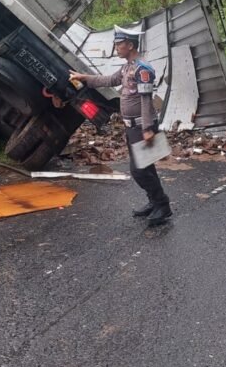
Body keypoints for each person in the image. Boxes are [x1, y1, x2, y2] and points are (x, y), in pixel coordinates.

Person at [69, 27, 172, 226]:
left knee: (139, 170)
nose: (116, 48)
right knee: (146, 168)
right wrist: (84, 78)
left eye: (119, 44)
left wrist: (148, 128)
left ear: (130, 45)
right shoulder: (127, 67)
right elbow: (108, 80)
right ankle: (154, 202)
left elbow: (146, 100)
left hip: (142, 126)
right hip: (132, 127)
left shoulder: (143, 69)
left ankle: (163, 204)